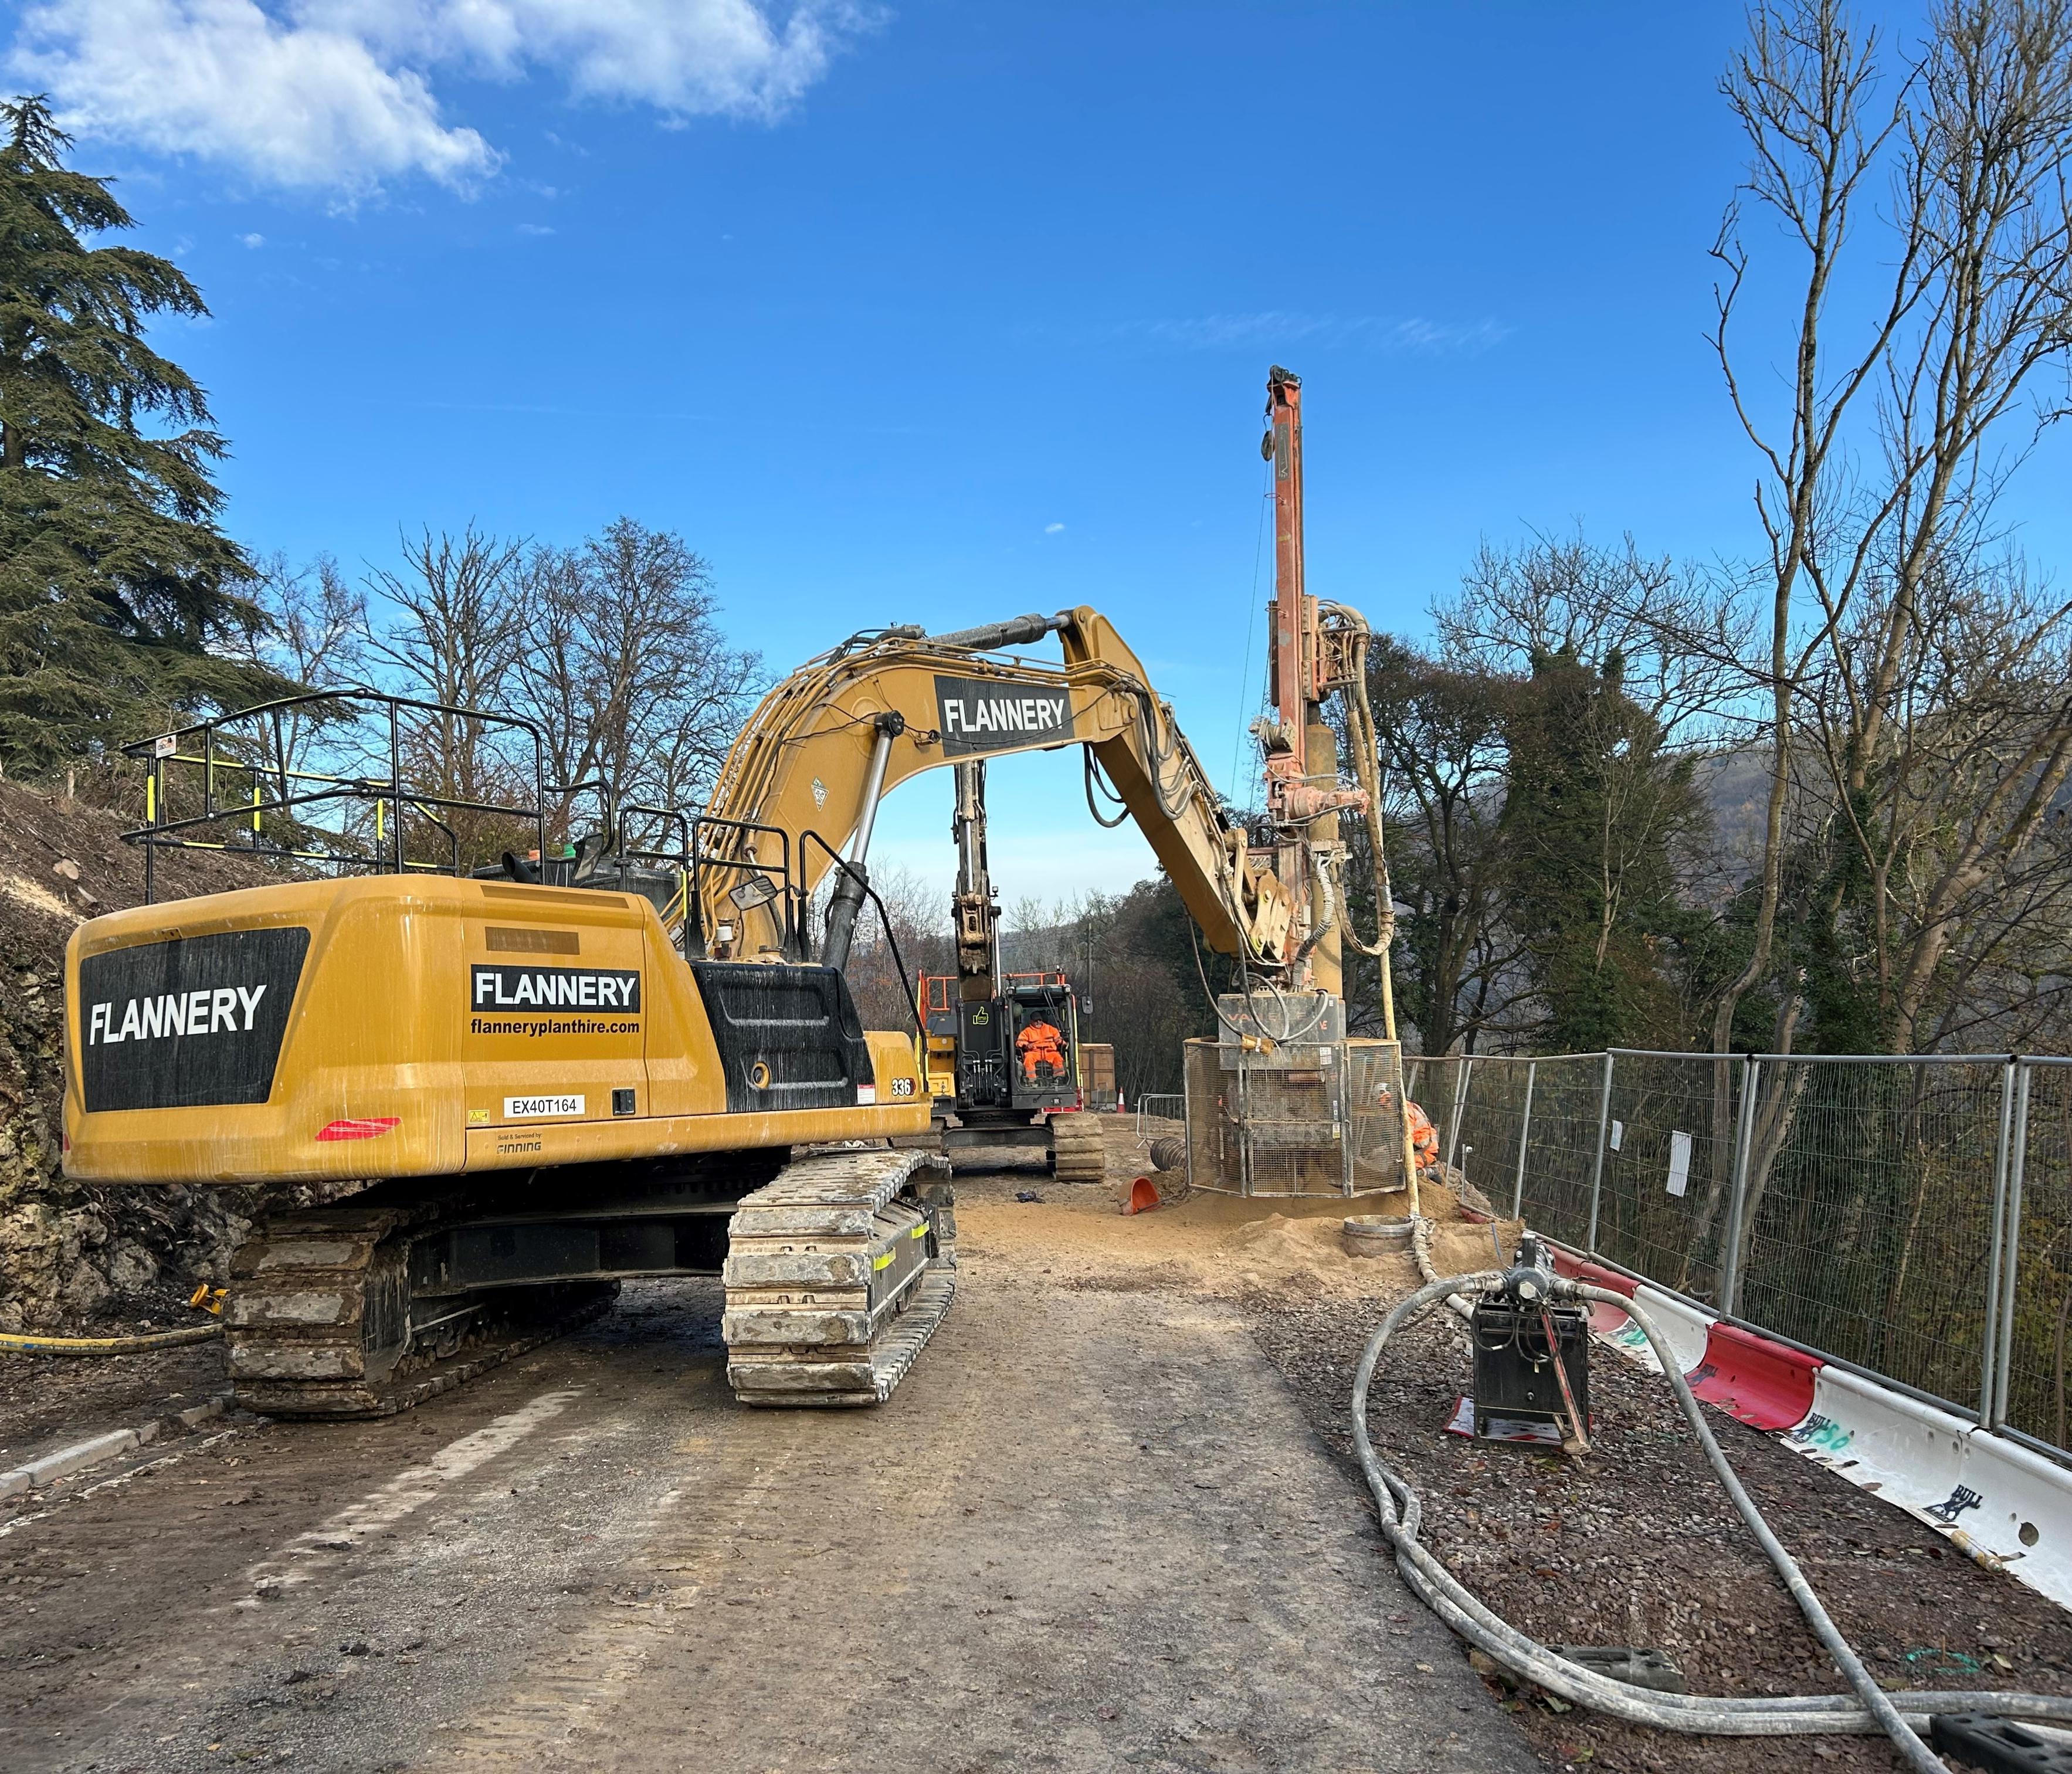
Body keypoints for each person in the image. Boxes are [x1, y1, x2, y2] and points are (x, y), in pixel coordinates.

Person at [1016, 1018, 1066, 1085]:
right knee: (1028, 1059)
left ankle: (1059, 1078)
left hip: (1049, 1052)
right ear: (1032, 1021)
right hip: (1035, 1052)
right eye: (1036, 1021)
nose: (1038, 1022)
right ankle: (1031, 1080)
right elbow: (1020, 1042)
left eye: (1040, 1020)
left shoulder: (1051, 1029)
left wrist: (1062, 1043)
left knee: (1058, 1058)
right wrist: (1027, 1044)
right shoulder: (1027, 1031)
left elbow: (1058, 1039)